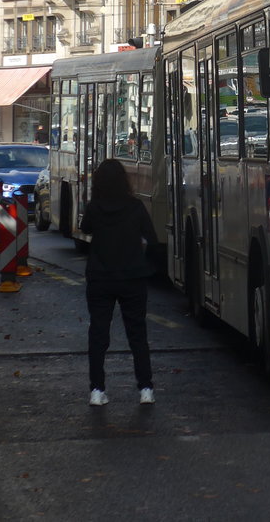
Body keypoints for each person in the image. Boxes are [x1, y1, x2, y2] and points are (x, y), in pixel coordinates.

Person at [82, 158, 157, 407]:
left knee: (99, 334)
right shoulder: (135, 207)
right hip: (132, 277)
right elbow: (152, 238)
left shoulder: (94, 208)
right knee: (137, 334)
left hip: (101, 277)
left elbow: (85, 228)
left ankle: (97, 389)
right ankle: (145, 388)